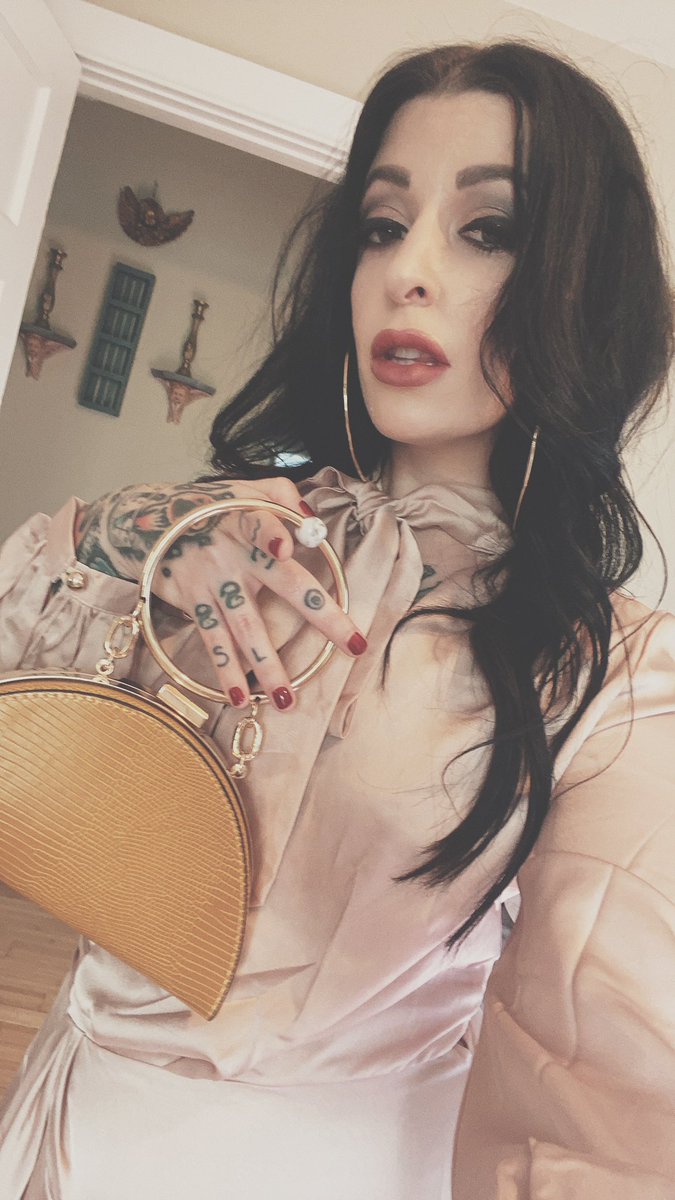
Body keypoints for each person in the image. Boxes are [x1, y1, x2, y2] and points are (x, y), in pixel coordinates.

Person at [0, 39, 674, 1200]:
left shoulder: (612, 673)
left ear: (579, 283)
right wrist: (138, 539)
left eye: (487, 230)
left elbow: (607, 1090)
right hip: (58, 1129)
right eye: (380, 224)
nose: (409, 270)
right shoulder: (224, 531)